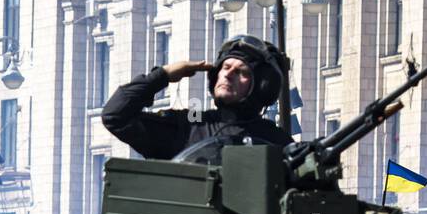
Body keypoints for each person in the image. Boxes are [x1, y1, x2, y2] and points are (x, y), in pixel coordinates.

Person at [102, 35, 293, 161]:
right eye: (226, 68)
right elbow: (115, 116)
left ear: (262, 88)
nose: (227, 75)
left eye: (240, 72)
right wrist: (163, 75)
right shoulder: (189, 127)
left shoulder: (276, 142)